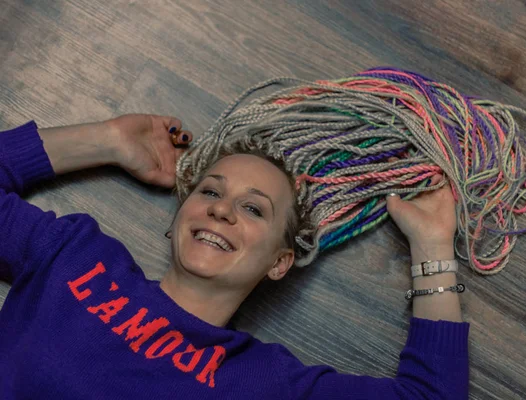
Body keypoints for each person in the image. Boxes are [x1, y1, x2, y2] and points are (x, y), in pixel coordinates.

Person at [0, 114, 469, 399]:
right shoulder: (79, 260)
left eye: (252, 209)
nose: (221, 209)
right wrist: (106, 140)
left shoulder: (261, 384)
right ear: (179, 216)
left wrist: (431, 246)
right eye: (209, 191)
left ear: (279, 262)